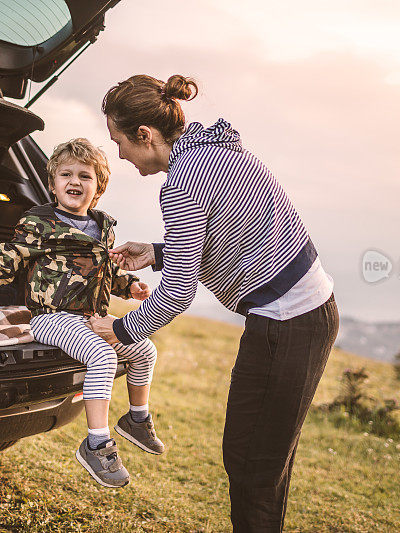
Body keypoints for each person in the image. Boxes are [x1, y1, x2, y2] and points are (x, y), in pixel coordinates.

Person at [89, 75, 340, 531]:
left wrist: (120, 330)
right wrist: (156, 251)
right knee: (263, 461)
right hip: (309, 313)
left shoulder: (181, 184)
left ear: (145, 135)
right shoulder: (215, 151)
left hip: (287, 322)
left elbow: (179, 293)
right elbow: (225, 228)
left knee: (252, 464)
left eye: (120, 141)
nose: (120, 154)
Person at [0, 138, 165, 488]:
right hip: (52, 318)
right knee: (101, 357)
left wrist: (128, 285)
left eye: (85, 176)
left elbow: (104, 271)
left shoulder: (103, 226)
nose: (75, 181)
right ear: (53, 182)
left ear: (98, 187)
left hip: (91, 321)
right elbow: (7, 259)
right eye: (66, 174)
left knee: (145, 350)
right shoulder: (39, 223)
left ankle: (136, 419)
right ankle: (97, 444)